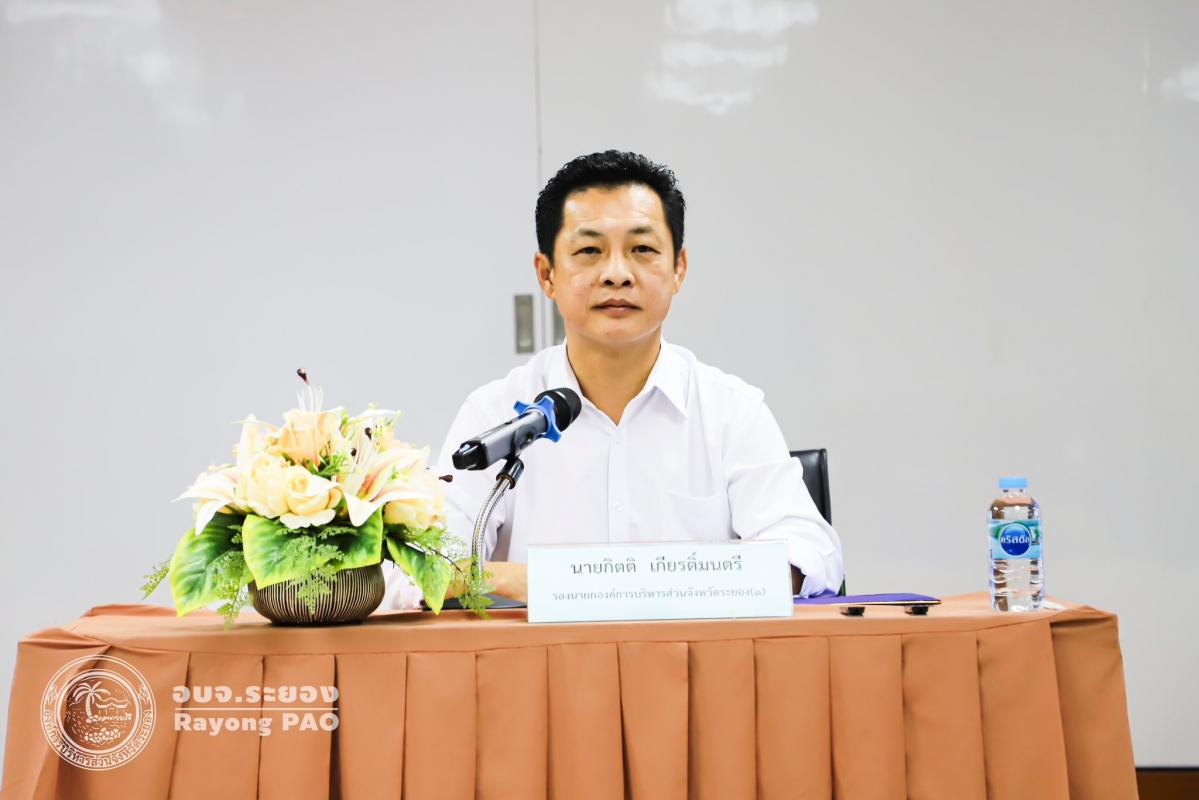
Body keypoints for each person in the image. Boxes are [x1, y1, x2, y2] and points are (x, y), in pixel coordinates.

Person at [383, 150, 842, 608]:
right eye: (589, 251)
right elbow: (419, 569)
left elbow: (811, 555)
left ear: (678, 269)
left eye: (642, 250)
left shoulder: (730, 410)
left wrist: (562, 582)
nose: (617, 274)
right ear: (547, 274)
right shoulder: (497, 413)